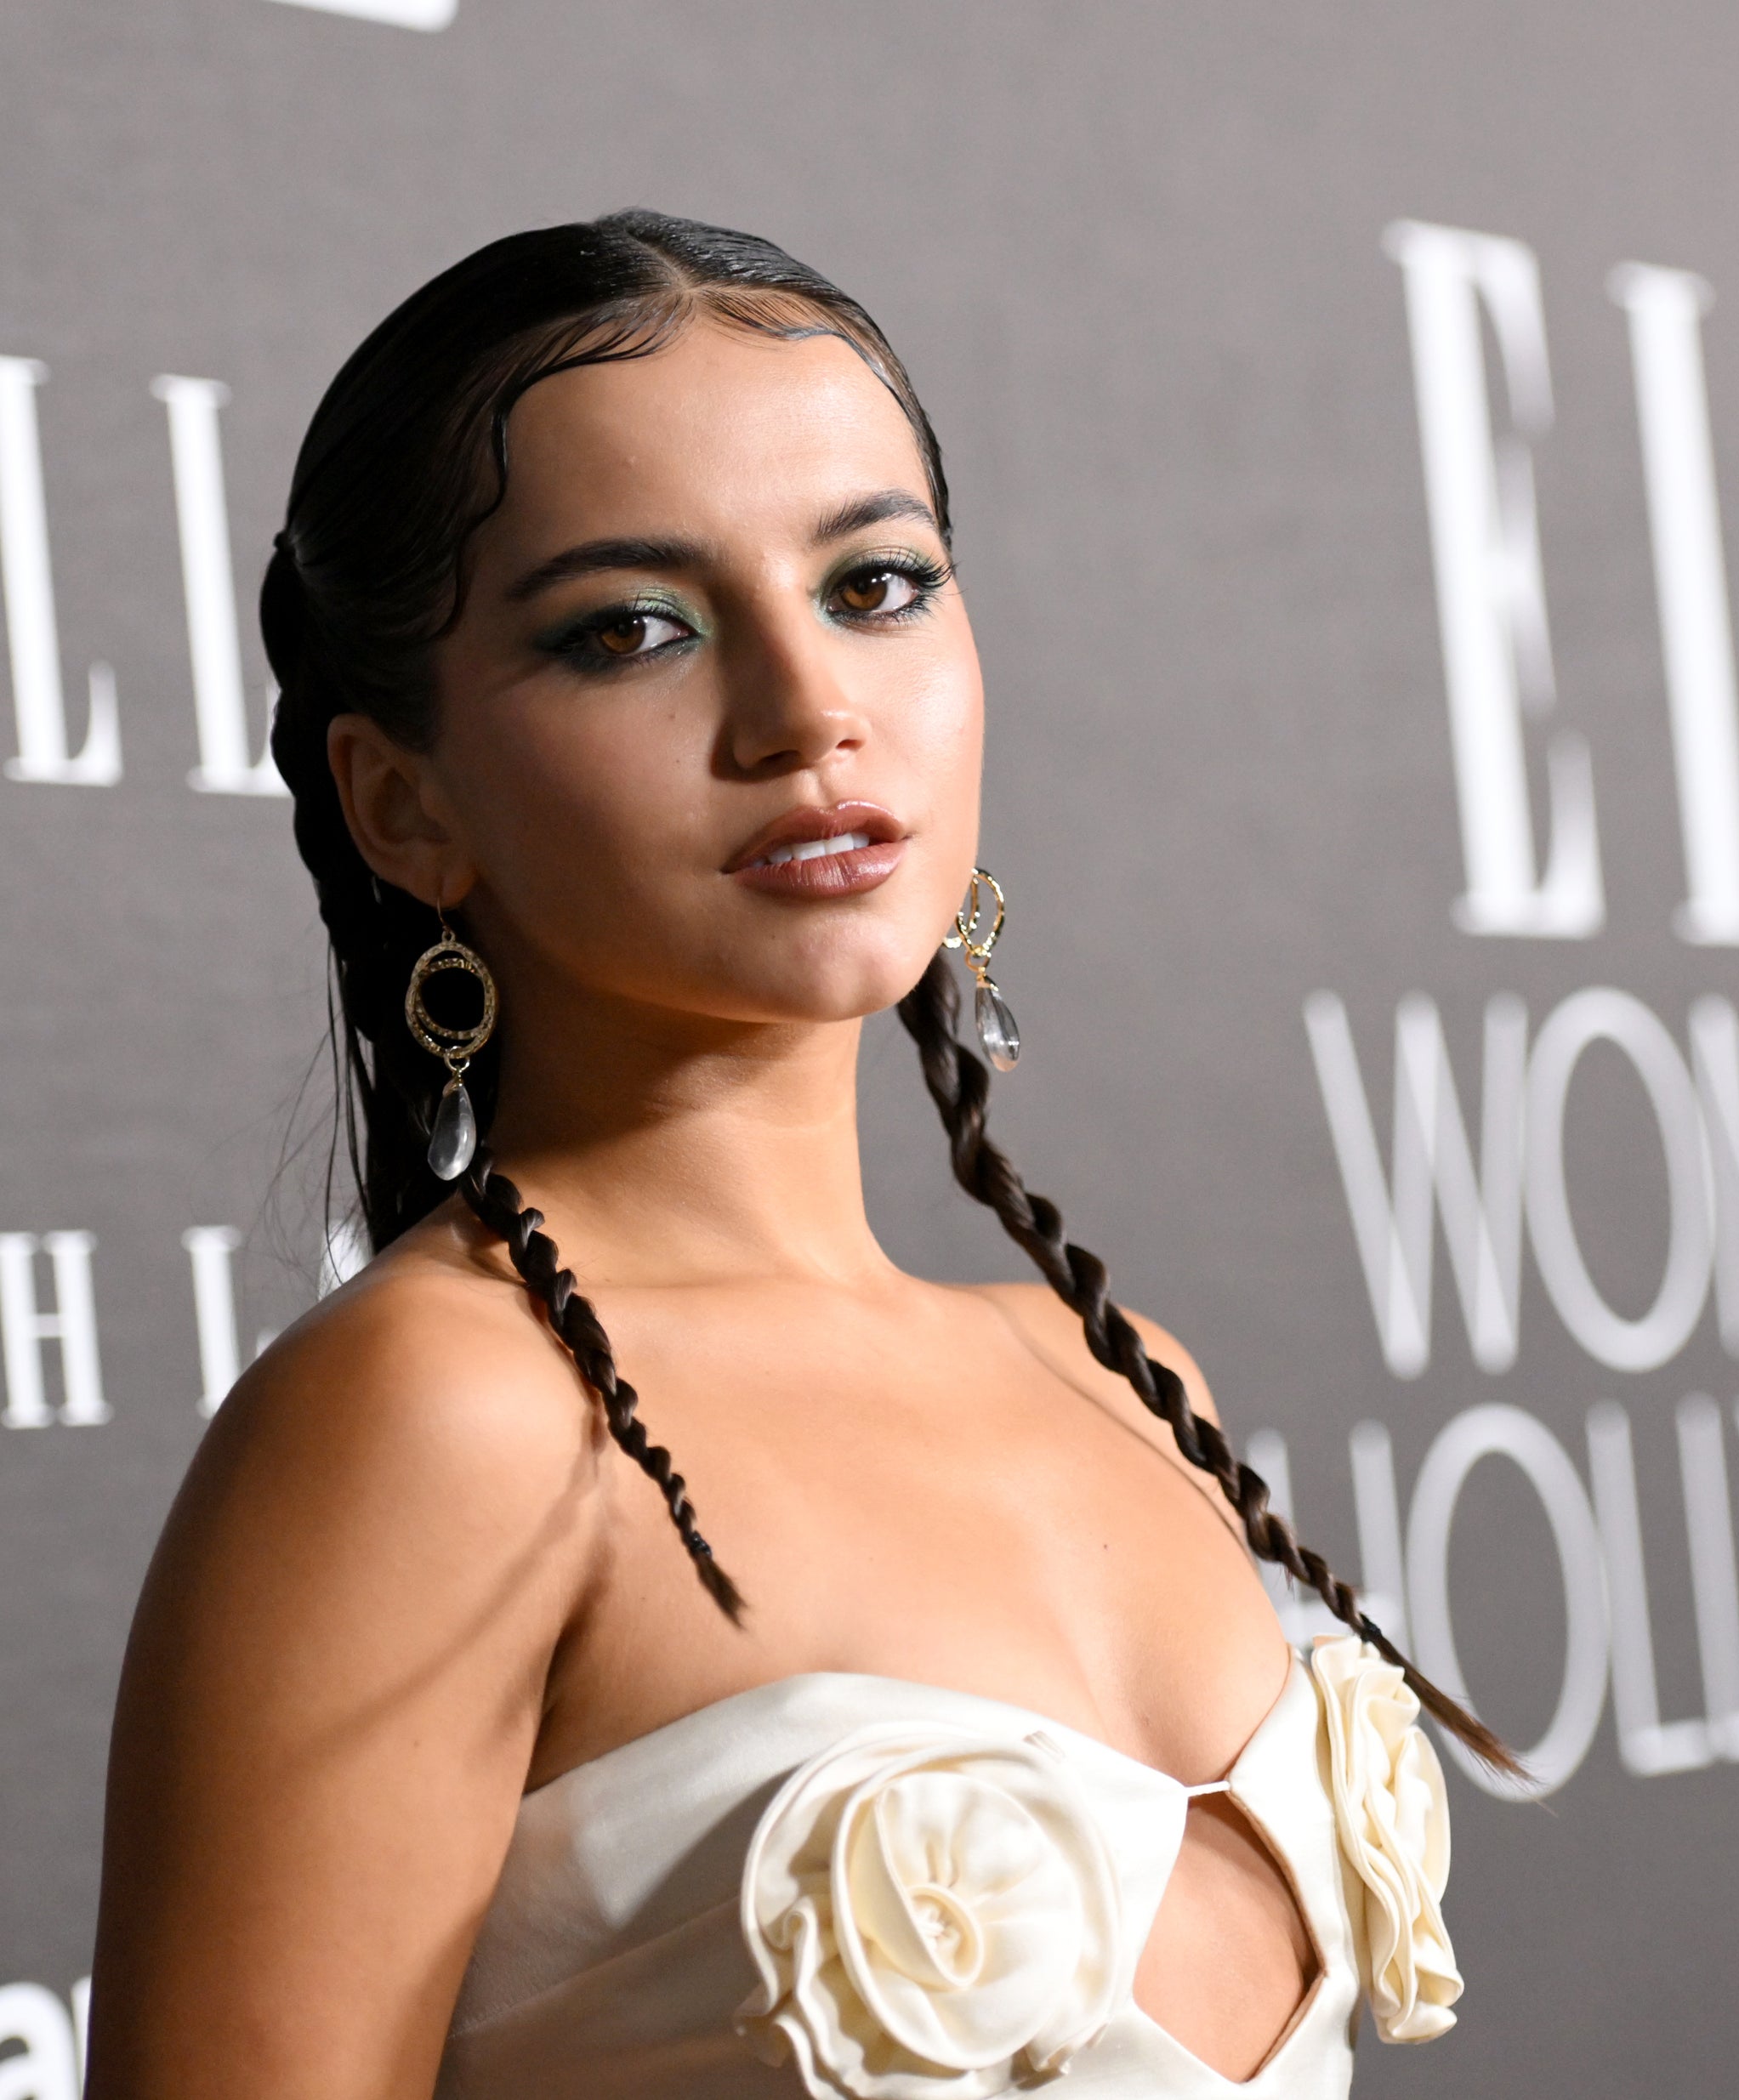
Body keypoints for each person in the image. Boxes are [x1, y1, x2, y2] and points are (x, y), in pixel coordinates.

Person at [86, 211, 1505, 2100]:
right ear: (402, 803)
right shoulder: (445, 1417)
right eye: (629, 630)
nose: (804, 709)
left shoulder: (1123, 1376)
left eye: (876, 583)